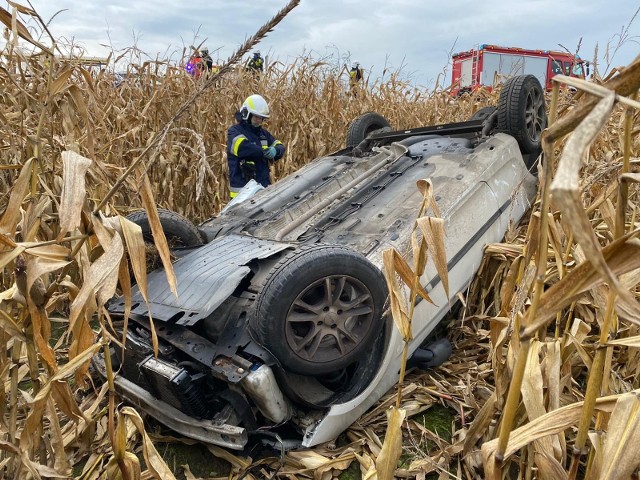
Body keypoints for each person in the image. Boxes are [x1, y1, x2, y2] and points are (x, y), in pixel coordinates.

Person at [227, 94, 285, 198]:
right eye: (256, 117)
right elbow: (242, 148)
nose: (259, 120)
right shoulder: (234, 131)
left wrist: (275, 150)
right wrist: (264, 152)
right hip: (241, 195)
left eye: (261, 118)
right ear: (246, 114)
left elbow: (280, 146)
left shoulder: (263, 134)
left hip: (262, 191)